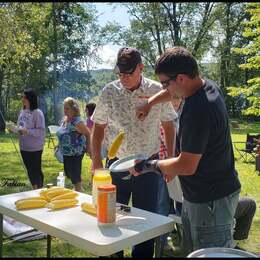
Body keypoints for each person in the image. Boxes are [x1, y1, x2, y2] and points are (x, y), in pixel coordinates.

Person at [133, 47, 241, 255]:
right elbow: (171, 91)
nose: (164, 88)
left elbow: (186, 165)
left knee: (210, 254)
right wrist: (149, 103)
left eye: (165, 82)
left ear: (181, 78)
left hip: (211, 201)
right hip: (199, 196)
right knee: (192, 251)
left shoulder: (199, 109)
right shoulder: (205, 86)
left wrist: (149, 165)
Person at [91, 47, 176, 258]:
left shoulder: (157, 90)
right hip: (116, 164)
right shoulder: (109, 92)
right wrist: (96, 161)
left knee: (144, 219)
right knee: (111, 215)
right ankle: (113, 253)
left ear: (141, 68)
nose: (123, 79)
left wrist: (171, 159)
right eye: (120, 74)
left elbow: (169, 125)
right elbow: (98, 128)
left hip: (148, 164)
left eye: (128, 74)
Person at [56, 97, 90, 192]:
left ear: (74, 109)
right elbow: (63, 133)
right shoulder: (65, 120)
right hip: (66, 152)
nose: (65, 111)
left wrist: (88, 148)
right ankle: (77, 188)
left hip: (76, 152)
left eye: (67, 108)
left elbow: (88, 134)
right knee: (69, 173)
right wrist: (59, 145)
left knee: (75, 174)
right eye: (64, 108)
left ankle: (79, 190)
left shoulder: (77, 121)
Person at [17, 89, 45, 189]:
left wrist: (27, 131)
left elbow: (41, 131)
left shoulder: (37, 113)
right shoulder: (22, 111)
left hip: (35, 148)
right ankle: (35, 189)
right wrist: (15, 129)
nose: (22, 99)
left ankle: (39, 190)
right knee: (29, 170)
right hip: (24, 147)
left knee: (35, 170)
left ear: (30, 99)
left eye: (24, 97)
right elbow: (21, 126)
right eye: (22, 97)